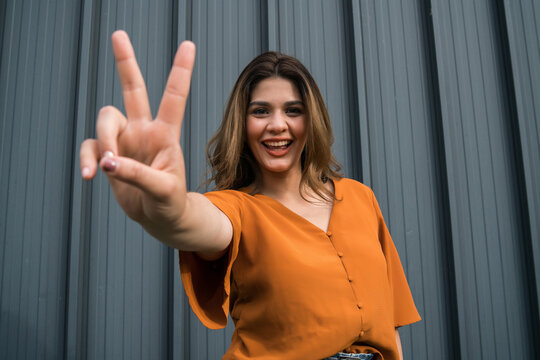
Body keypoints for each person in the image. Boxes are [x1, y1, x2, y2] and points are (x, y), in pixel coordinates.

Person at [79, 30, 420, 360]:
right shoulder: (236, 210)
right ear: (241, 124)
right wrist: (164, 209)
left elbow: (390, 326)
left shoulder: (361, 199)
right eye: (260, 111)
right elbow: (189, 221)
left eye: (293, 110)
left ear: (311, 119)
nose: (276, 124)